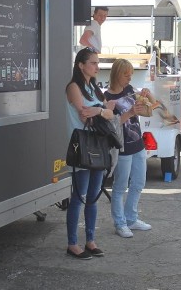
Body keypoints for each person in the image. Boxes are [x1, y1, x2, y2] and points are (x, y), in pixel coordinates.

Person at [65, 48, 116, 259]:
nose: (97, 66)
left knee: (93, 196)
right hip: (82, 145)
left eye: (97, 63)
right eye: (93, 63)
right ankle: (72, 243)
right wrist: (100, 111)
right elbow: (84, 116)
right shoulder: (73, 87)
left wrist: (98, 111)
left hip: (98, 144)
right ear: (81, 65)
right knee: (79, 196)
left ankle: (90, 240)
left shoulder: (95, 88)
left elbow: (110, 114)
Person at [105, 59, 154, 238]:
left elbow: (150, 111)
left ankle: (131, 218)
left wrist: (148, 98)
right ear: (117, 74)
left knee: (139, 182)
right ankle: (120, 223)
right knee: (120, 186)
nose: (129, 78)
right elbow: (111, 125)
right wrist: (130, 112)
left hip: (138, 144)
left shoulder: (130, 90)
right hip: (122, 147)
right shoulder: (108, 98)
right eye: (126, 74)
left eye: (130, 74)